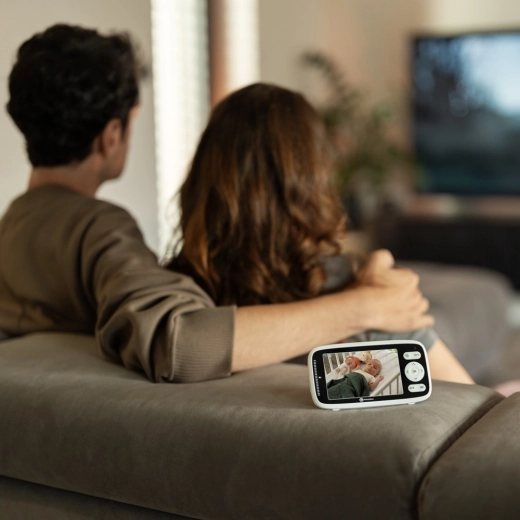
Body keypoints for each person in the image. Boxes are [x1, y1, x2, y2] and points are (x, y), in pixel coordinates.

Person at [0, 24, 438, 384]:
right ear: (111, 135)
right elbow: (178, 341)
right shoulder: (98, 229)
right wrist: (365, 306)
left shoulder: (14, 227)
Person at [167, 83, 474, 384]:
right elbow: (471, 401)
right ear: (312, 179)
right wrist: (368, 303)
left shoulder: (171, 308)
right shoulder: (367, 294)